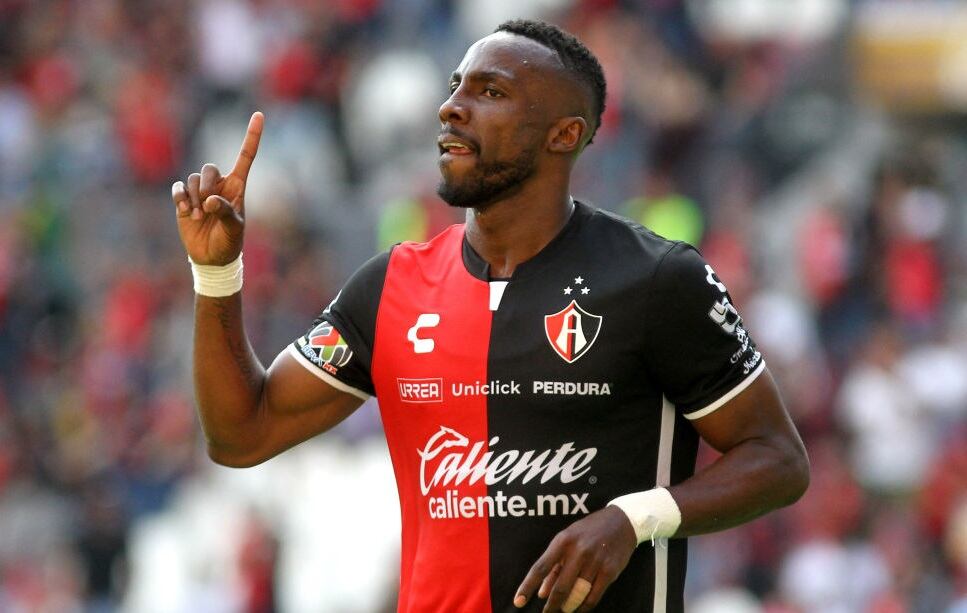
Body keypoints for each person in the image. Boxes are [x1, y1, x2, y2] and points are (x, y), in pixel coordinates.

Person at [170, 19, 809, 613]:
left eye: (490, 91)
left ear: (565, 133)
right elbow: (240, 436)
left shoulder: (656, 280)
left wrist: (636, 518)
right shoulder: (390, 286)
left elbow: (778, 458)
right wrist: (218, 273)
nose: (452, 106)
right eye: (454, 88)